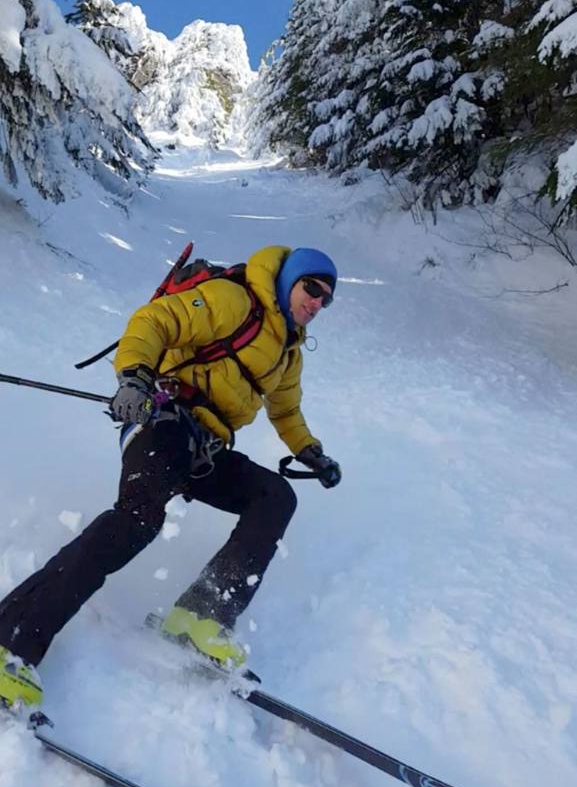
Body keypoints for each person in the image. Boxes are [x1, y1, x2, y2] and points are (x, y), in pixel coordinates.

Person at [0, 245, 341, 709]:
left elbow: (286, 410)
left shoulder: (288, 350)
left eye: (327, 297)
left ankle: (201, 617)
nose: (318, 302)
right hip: (160, 418)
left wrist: (310, 452)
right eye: (312, 288)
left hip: (205, 447)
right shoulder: (233, 300)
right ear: (289, 281)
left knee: (274, 497)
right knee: (137, 520)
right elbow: (155, 320)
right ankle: (10, 639)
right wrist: (135, 378)